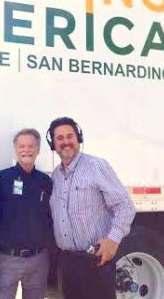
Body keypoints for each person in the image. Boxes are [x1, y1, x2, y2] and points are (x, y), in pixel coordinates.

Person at [46, 117, 136, 299]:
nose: (65, 142)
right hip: (67, 262)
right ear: (53, 144)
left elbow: (125, 205)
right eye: (59, 138)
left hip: (95, 260)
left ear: (78, 138)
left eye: (69, 136)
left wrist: (113, 240)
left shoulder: (96, 166)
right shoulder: (55, 176)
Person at [0, 128, 52, 299]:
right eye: (21, 146)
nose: (26, 150)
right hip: (7, 260)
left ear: (38, 150)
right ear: (15, 150)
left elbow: (51, 220)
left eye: (30, 146)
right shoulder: (2, 179)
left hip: (39, 260)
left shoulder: (45, 181)